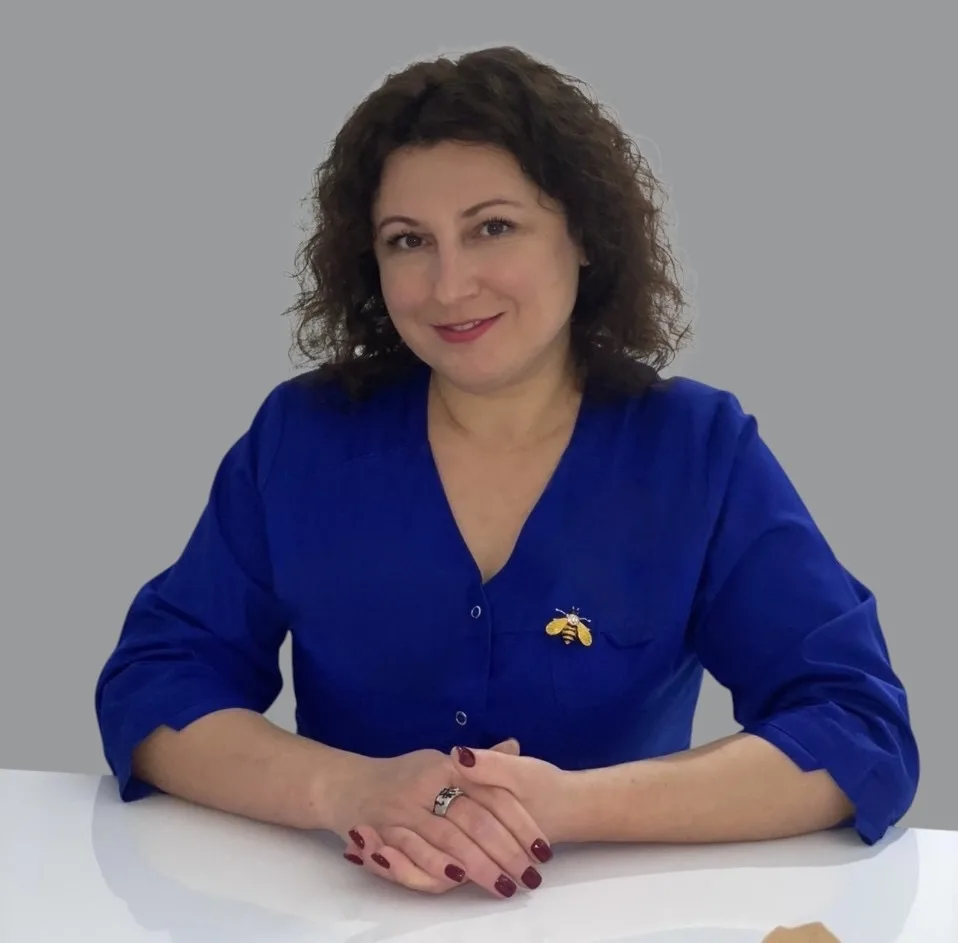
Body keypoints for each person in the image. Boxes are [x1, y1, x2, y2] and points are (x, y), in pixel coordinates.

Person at [95, 45, 919, 900]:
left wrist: (568, 806)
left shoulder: (698, 451)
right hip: (338, 912)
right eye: (409, 241)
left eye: (493, 227)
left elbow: (858, 731)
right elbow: (154, 687)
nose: (450, 285)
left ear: (584, 235)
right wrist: (344, 789)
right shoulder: (301, 439)